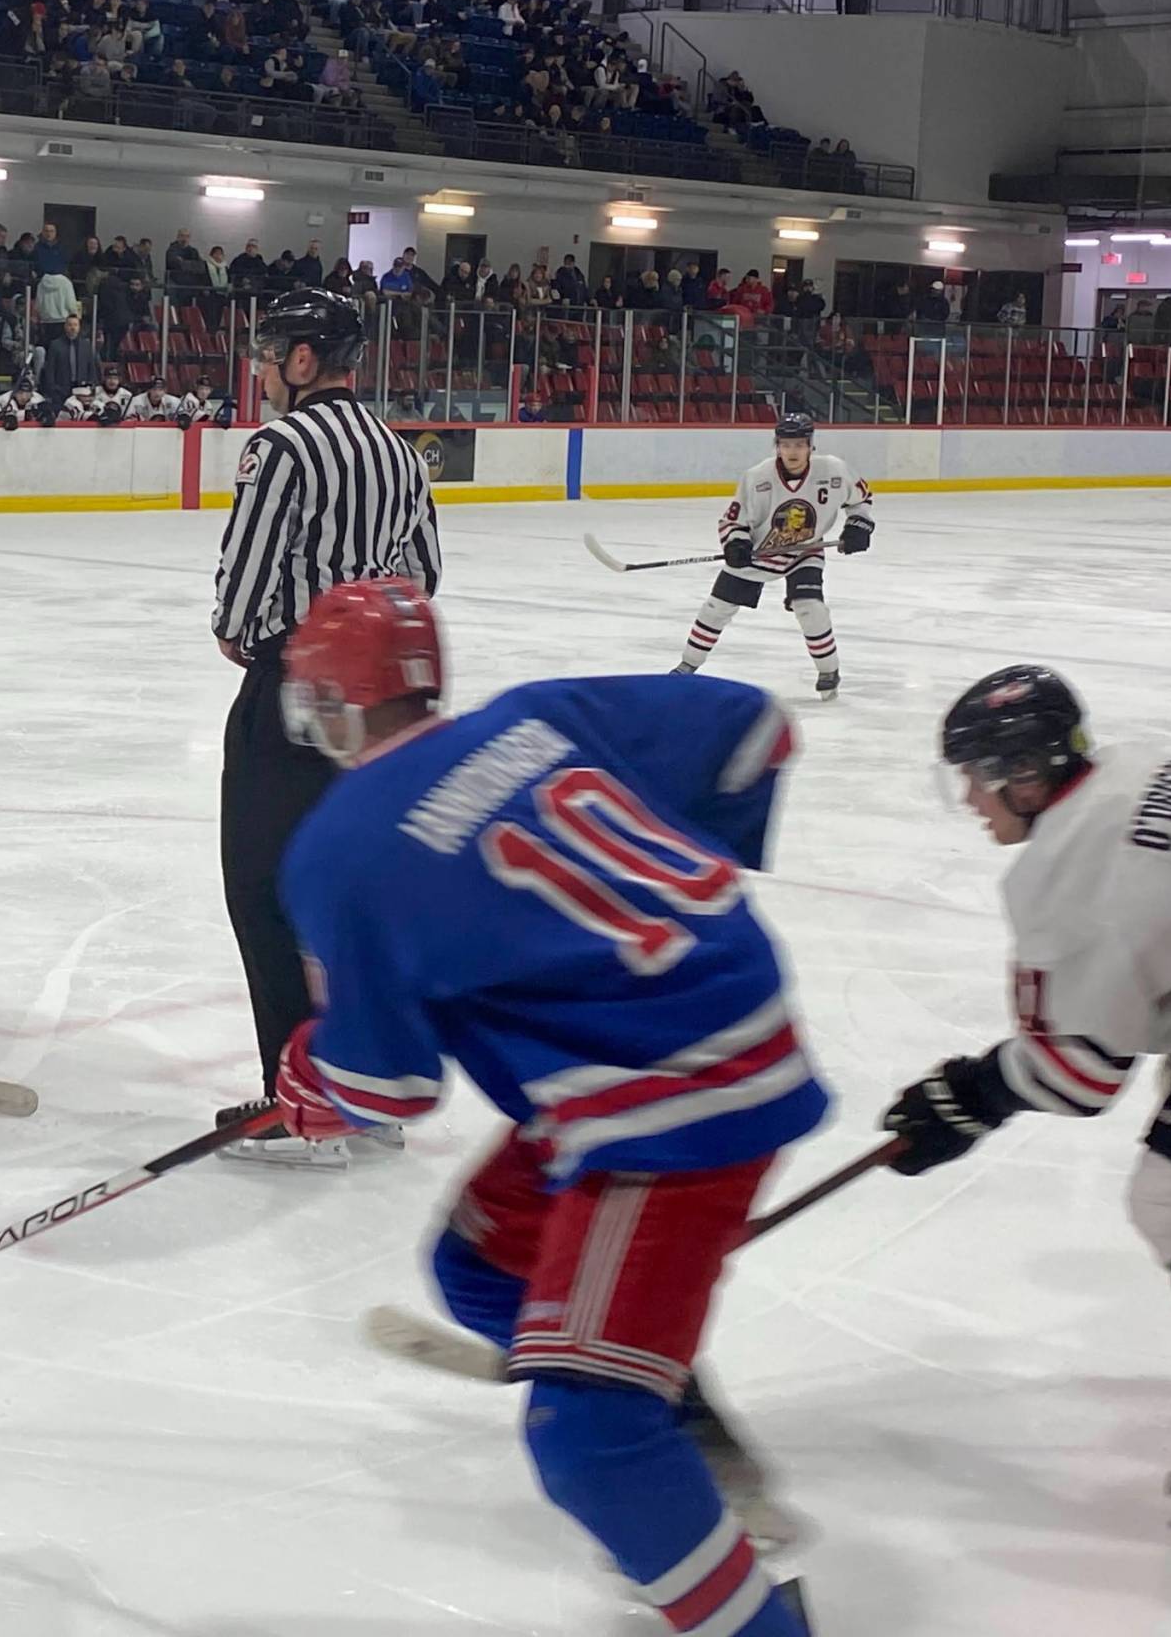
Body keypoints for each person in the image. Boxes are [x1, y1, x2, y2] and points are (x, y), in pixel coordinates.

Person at [267, 576, 817, 1630]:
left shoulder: (339, 848)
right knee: (477, 1263)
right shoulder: (537, 717)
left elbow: (389, 1090)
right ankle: (668, 1409)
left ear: (329, 707)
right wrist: (676, 909)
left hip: (660, 1106)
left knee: (584, 1442)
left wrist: (308, 1081)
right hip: (709, 1036)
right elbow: (756, 731)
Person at [873, 668, 1171, 1546]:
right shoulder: (1137, 772)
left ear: (1026, 776)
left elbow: (1080, 1075)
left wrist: (969, 1095)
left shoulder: (1066, 868)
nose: (971, 800)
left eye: (979, 779)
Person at [210, 287, 446, 1159]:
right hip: (382, 707)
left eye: (272, 353)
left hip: (296, 697)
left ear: (304, 360)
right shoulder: (399, 451)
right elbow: (424, 571)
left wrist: (244, 635)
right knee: (352, 891)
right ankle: (370, 1086)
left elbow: (244, 584)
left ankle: (297, 1097)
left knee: (266, 892)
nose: (263, 370)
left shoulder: (281, 446)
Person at [672, 411, 873, 698]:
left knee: (810, 608)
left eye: (799, 445)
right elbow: (732, 521)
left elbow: (862, 498)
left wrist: (858, 525)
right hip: (760, 554)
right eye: (786, 445)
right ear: (777, 446)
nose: (793, 451)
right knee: (716, 610)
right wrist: (736, 543)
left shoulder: (834, 471)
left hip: (805, 551)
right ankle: (687, 665)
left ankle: (829, 670)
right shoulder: (757, 478)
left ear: (810, 446)